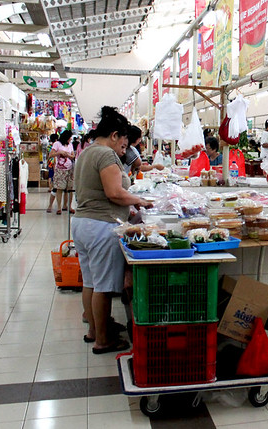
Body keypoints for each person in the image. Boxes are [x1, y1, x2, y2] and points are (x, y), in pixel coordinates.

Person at [72, 106, 152, 355]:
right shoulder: (106, 155)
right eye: (125, 142)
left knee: (91, 282)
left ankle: (95, 330)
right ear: (115, 135)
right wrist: (138, 200)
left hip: (83, 223)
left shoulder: (87, 152)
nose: (125, 149)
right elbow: (114, 192)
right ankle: (103, 340)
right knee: (104, 287)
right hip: (101, 226)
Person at [50, 130, 75, 215]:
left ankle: (67, 206)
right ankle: (59, 207)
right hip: (59, 169)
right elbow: (51, 155)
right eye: (69, 138)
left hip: (69, 169)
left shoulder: (70, 145)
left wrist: (68, 155)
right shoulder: (57, 144)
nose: (70, 139)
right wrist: (59, 152)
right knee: (59, 188)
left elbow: (72, 156)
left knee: (70, 189)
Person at [46, 133, 58, 213]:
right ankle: (53, 186)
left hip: (50, 161)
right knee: (53, 175)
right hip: (54, 161)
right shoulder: (56, 146)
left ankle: (50, 187)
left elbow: (48, 154)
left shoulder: (49, 146)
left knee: (50, 175)